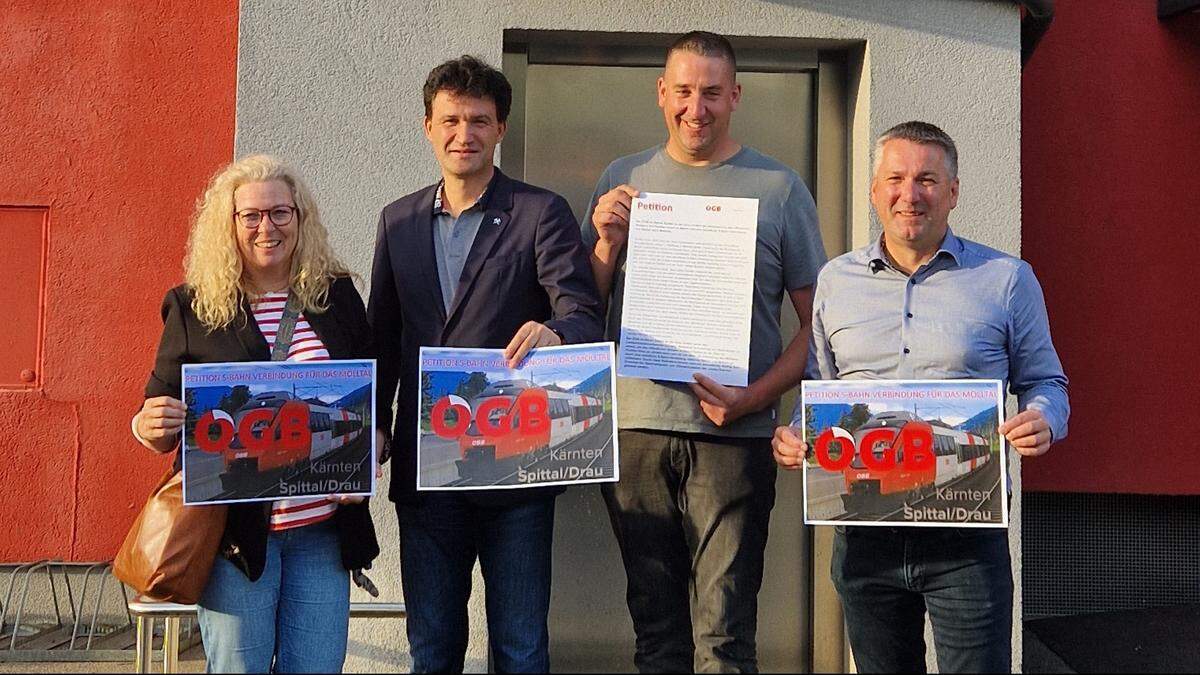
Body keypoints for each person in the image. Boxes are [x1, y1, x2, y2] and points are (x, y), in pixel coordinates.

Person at [773, 121, 1070, 673]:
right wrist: (796, 435)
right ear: (874, 189)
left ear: (953, 192)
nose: (910, 194)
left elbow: (1047, 382)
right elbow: (819, 389)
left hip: (965, 537)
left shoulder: (1007, 279)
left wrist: (1043, 420)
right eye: (896, 178)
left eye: (927, 179)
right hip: (864, 533)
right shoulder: (835, 282)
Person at [584, 31, 827, 672]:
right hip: (633, 429)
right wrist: (606, 245)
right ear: (662, 94)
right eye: (685, 91)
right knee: (656, 634)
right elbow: (582, 314)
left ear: (736, 96)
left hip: (734, 436)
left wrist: (755, 397)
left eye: (713, 93)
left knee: (724, 634)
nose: (698, 108)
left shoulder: (779, 188)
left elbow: (820, 327)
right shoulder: (623, 178)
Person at [368, 55, 603, 673]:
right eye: (450, 120)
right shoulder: (398, 221)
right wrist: (376, 423)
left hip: (516, 467)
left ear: (500, 129)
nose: (463, 134)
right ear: (428, 127)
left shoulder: (539, 212)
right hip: (427, 467)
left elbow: (583, 310)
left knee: (521, 648)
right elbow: (384, 337)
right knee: (433, 646)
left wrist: (554, 333)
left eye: (478, 120)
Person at [131, 154, 380, 673]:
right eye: (251, 216)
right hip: (234, 539)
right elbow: (155, 411)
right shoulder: (194, 306)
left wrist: (373, 447)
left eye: (280, 213)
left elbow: (369, 406)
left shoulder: (336, 298)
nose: (267, 227)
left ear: (299, 218)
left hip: (323, 534)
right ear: (230, 225)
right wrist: (147, 425)